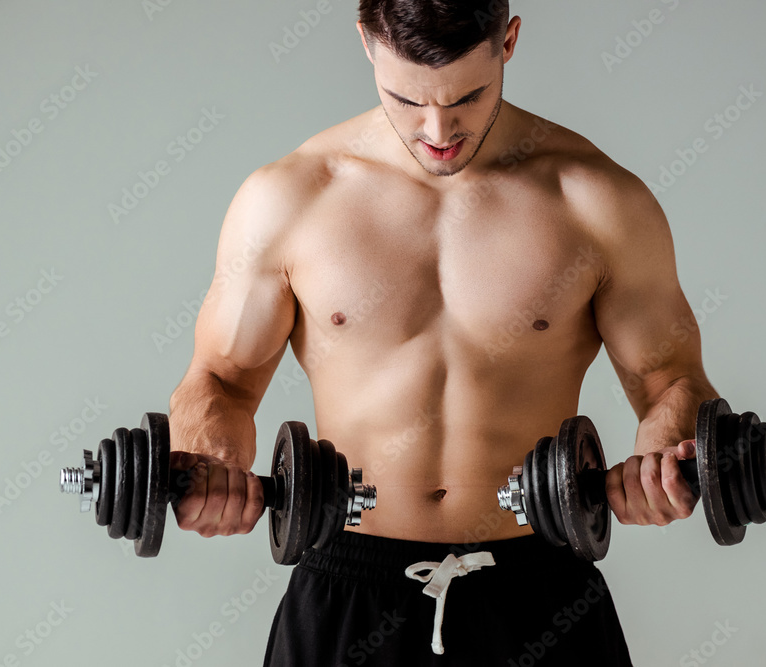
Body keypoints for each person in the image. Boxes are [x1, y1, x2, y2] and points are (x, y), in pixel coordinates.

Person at [167, 1, 718, 664]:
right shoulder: (290, 199)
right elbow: (221, 380)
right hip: (349, 586)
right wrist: (212, 466)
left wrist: (662, 463)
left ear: (508, 40)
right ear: (368, 43)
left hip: (541, 589)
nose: (438, 130)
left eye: (468, 96)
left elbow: (673, 380)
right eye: (407, 99)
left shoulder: (597, 200)